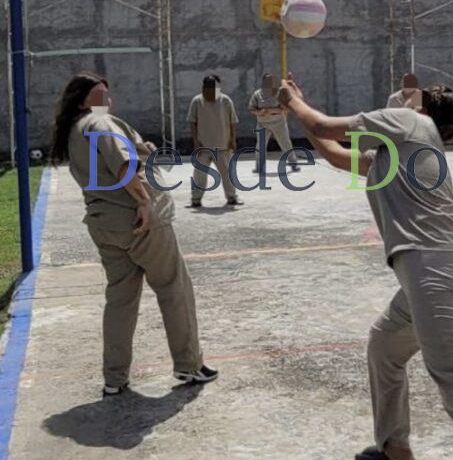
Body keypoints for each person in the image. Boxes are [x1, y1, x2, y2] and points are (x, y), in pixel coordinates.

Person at [276, 74, 453, 460]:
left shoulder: (412, 124)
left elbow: (325, 125)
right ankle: (395, 448)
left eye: (410, 97)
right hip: (434, 269)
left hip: (433, 267)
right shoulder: (397, 151)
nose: (401, 99)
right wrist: (298, 111)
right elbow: (334, 152)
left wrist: (292, 101)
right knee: (385, 346)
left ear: (422, 110)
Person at [49, 72, 218, 397]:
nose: (107, 101)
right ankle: (189, 364)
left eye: (107, 95)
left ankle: (114, 378)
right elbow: (124, 165)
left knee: (120, 301)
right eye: (100, 95)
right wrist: (143, 201)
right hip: (137, 220)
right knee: (174, 288)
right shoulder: (101, 123)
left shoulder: (73, 130)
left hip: (103, 223)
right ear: (84, 100)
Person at [187, 74, 242, 207]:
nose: (211, 90)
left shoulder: (226, 101)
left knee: (227, 174)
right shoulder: (197, 101)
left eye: (214, 87)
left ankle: (232, 197)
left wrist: (232, 140)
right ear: (203, 88)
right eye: (208, 87)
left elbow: (232, 122)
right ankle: (196, 199)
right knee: (199, 175)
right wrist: (195, 142)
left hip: (222, 145)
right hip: (203, 146)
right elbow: (192, 122)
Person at [248, 72, 299, 174]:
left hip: (278, 123)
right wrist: (260, 112)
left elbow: (285, 108)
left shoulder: (279, 93)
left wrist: (271, 111)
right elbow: (251, 108)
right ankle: (259, 167)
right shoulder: (257, 94)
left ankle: (293, 164)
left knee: (285, 143)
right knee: (260, 146)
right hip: (263, 124)